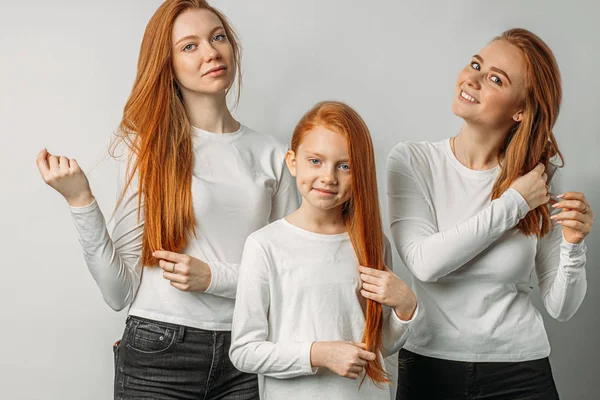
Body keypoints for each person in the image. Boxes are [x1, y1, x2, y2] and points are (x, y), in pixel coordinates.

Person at [35, 1, 298, 398]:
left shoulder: (275, 155)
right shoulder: (147, 149)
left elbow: (293, 274)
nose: (211, 52)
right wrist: (81, 201)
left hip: (249, 351)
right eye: (189, 46)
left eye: (218, 37)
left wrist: (212, 277)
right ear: (167, 64)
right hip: (159, 349)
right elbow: (118, 292)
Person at [387, 28, 594, 399]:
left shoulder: (539, 178)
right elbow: (424, 263)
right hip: (430, 367)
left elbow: (561, 307)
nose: (473, 79)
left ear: (520, 111)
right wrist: (514, 202)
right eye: (476, 64)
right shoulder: (412, 161)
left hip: (521, 372)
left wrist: (574, 246)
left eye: (495, 79)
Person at [230, 101, 418, 399]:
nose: (329, 177)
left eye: (344, 166)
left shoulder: (372, 242)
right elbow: (244, 351)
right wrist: (318, 354)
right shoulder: (265, 245)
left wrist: (406, 308)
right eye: (315, 161)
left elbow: (379, 346)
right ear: (292, 161)